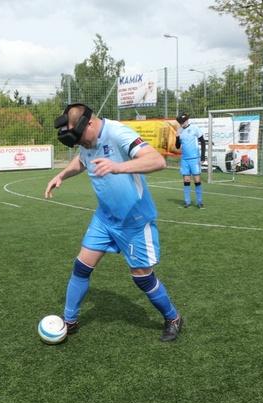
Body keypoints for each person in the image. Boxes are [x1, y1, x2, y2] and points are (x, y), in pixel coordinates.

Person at [46, 103, 183, 342]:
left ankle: (173, 317)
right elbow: (82, 159)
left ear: (90, 123)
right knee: (81, 267)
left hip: (135, 220)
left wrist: (118, 167)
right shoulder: (87, 141)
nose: (81, 145)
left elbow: (157, 161)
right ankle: (70, 321)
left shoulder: (119, 133)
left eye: (80, 139)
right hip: (105, 218)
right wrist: (61, 175)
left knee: (142, 277)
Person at [175, 113, 206, 208]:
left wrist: (202, 157)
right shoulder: (179, 131)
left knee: (197, 180)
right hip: (184, 159)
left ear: (187, 121)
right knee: (186, 180)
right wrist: (176, 137)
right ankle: (187, 202)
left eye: (182, 122)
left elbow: (203, 142)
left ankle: (199, 202)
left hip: (195, 158)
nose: (181, 124)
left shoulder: (195, 128)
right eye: (180, 123)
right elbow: (177, 146)